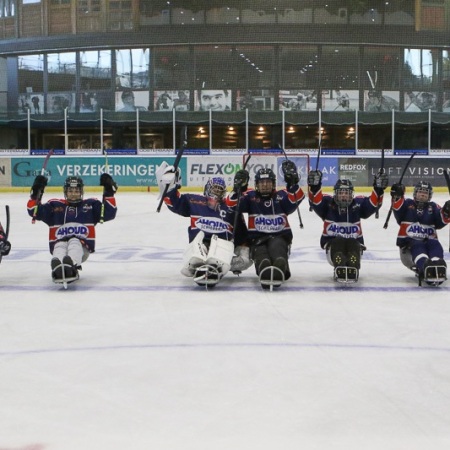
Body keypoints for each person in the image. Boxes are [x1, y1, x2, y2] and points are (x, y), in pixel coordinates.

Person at [156, 162, 252, 287]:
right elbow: (174, 203)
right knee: (200, 248)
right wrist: (169, 187)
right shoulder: (194, 201)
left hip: (222, 246)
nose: (216, 193)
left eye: (219, 190)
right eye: (214, 189)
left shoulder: (230, 207)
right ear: (207, 189)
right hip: (200, 242)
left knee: (243, 258)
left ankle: (219, 264)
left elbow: (241, 233)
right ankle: (200, 262)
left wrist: (244, 251)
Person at [27, 173, 118, 286]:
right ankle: (58, 266)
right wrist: (36, 193)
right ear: (65, 192)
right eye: (70, 191)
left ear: (81, 192)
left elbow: (109, 213)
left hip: (82, 249)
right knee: (59, 245)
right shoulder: (54, 206)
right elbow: (34, 211)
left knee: (74, 241)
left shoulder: (91, 205)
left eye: (76, 191)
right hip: (60, 243)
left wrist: (109, 191)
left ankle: (71, 265)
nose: (73, 194)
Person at [228, 161, 305, 290]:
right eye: (261, 183)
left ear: (273, 184)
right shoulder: (250, 197)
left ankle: (280, 265)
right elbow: (231, 205)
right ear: (256, 185)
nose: (265, 185)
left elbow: (298, 198)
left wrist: (293, 183)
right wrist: (237, 189)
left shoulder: (281, 196)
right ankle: (264, 268)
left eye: (268, 182)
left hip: (279, 237)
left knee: (278, 250)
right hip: (257, 240)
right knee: (262, 256)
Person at [307, 171, 388, 283]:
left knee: (352, 243)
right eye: (341, 193)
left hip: (354, 245)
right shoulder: (328, 203)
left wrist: (378, 189)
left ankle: (353, 261)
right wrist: (315, 187)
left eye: (347, 193)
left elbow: (372, 205)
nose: (344, 195)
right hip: (332, 247)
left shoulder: (358, 204)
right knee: (338, 242)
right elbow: (315, 202)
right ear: (335, 194)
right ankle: (339, 260)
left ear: (351, 195)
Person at [390, 180, 450, 286]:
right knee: (418, 245)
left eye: (426, 193)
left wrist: (447, 211)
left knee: (435, 244)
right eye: (420, 192)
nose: (422, 194)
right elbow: (397, 206)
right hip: (408, 247)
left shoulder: (434, 207)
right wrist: (397, 194)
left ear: (429, 195)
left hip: (429, 242)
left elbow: (441, 221)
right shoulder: (407, 204)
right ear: (415, 193)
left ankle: (437, 265)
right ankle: (425, 267)